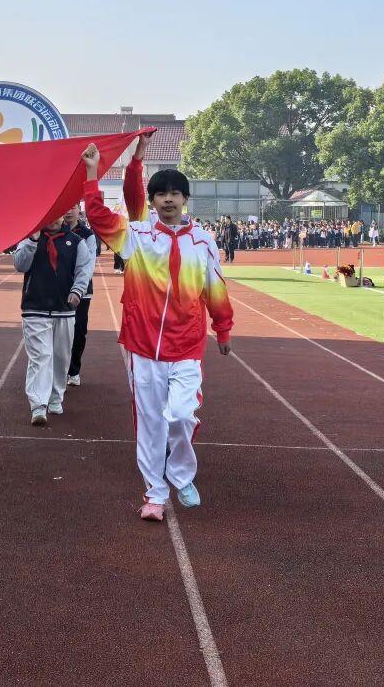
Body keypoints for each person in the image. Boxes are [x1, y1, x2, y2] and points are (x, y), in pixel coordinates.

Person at [82, 144, 234, 520]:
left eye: (175, 193)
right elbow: (98, 216)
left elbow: (215, 288)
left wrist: (223, 328)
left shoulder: (204, 241)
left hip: (186, 345)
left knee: (181, 415)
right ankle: (155, 493)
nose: (168, 199)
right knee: (150, 423)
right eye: (161, 194)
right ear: (152, 201)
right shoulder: (137, 235)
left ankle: (180, 474)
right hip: (144, 346)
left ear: (185, 199)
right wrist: (92, 173)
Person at [14, 214, 93, 425]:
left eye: (58, 214)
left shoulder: (76, 242)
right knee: (41, 356)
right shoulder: (29, 237)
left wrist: (77, 291)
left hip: (64, 309)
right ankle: (38, 405)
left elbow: (84, 269)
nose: (54, 219)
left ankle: (56, 397)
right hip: (34, 308)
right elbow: (20, 265)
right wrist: (32, 240)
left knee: (60, 357)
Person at [64, 204, 98, 387]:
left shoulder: (87, 234)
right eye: (66, 207)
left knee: (78, 331)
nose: (68, 211)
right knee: (60, 332)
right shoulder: (55, 230)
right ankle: (59, 368)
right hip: (59, 290)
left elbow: (89, 263)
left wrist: (79, 286)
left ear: (79, 210)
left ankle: (74, 370)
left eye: (73, 207)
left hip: (82, 292)